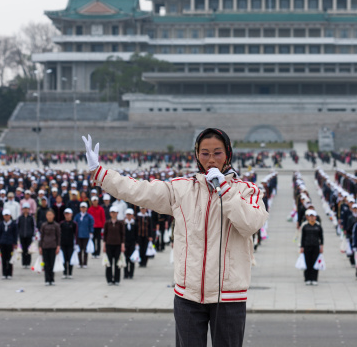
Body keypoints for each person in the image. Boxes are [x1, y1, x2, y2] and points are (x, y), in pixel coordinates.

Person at [82, 128, 268, 347]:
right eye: (204, 153)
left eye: (217, 153)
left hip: (228, 296)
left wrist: (225, 190)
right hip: (188, 296)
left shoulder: (247, 191)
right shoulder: (182, 189)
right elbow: (138, 190)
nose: (211, 160)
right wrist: (100, 172)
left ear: (228, 153)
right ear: (197, 154)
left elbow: (251, 224)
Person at [300, 209, 324, 286]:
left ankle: (314, 278)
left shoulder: (318, 226)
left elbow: (321, 237)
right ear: (308, 217)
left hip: (316, 246)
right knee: (307, 262)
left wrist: (322, 246)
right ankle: (307, 278)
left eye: (313, 216)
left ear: (315, 217)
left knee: (315, 263)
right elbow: (302, 237)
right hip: (307, 246)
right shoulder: (305, 226)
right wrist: (301, 247)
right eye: (310, 216)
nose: (312, 218)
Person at [103, 206, 125, 285]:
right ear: (110, 213)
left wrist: (122, 245)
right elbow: (105, 235)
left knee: (117, 263)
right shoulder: (107, 223)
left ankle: (116, 280)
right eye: (112, 212)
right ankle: (109, 280)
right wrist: (104, 245)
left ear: (117, 213)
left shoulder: (120, 223)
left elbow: (122, 235)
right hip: (109, 244)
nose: (113, 214)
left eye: (115, 212)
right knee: (109, 263)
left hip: (118, 245)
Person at [39, 210, 61, 286]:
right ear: (46, 216)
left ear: (53, 216)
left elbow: (58, 237)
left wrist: (58, 246)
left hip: (53, 246)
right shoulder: (44, 225)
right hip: (45, 246)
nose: (49, 216)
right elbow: (41, 237)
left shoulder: (56, 225)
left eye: (51, 215)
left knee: (52, 264)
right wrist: (40, 246)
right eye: (48, 215)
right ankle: (47, 279)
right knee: (46, 264)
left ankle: (52, 279)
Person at [0, 209, 18, 279]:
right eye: (5, 215)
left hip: (10, 243)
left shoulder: (13, 224)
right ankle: (4, 273)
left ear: (10, 216)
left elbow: (15, 234)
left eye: (7, 215)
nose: (6, 217)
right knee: (3, 258)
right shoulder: (1, 224)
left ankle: (9, 273)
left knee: (10, 259)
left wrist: (15, 243)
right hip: (2, 243)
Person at [74, 202, 94, 268]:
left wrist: (91, 232)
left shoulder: (89, 217)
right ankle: (80, 263)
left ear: (86, 208)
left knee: (85, 250)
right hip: (78, 235)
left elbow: (91, 225)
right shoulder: (77, 216)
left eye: (84, 207)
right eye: (82, 207)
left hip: (86, 235)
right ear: (80, 208)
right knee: (79, 250)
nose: (83, 209)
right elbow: (74, 224)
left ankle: (85, 263)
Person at [17, 202, 36, 269]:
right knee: (23, 250)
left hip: (29, 236)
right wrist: (18, 235)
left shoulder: (31, 218)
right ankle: (24, 263)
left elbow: (34, 227)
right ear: (22, 209)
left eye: (27, 208)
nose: (25, 210)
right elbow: (18, 227)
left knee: (29, 250)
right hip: (22, 236)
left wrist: (33, 235)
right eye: (24, 208)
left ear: (29, 209)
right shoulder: (20, 218)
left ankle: (28, 263)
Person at [60, 208, 77, 279]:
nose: (67, 215)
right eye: (66, 214)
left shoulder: (73, 224)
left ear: (71, 214)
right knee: (64, 259)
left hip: (71, 244)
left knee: (70, 259)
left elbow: (76, 233)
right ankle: (64, 273)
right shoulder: (62, 223)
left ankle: (70, 273)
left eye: (68, 214)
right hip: (63, 243)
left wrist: (76, 243)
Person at [123, 208, 138, 279]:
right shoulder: (123, 224)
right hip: (125, 243)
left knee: (132, 259)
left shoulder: (134, 224)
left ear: (132, 215)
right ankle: (125, 273)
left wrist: (137, 243)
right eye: (127, 215)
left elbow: (137, 234)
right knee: (125, 258)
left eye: (130, 215)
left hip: (132, 243)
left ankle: (131, 273)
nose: (129, 216)